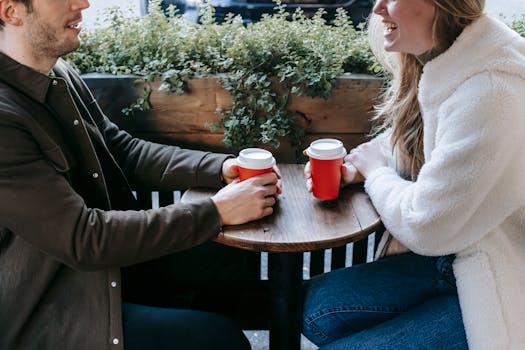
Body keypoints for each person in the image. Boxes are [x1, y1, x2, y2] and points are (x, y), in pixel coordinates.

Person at [0, 0, 281, 349]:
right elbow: (83, 239)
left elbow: (124, 152)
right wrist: (216, 211)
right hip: (61, 308)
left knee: (228, 254)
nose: (83, 3)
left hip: (116, 266)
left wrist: (220, 168)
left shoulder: (59, 74)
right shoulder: (4, 117)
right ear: (11, 12)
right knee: (221, 340)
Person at [301, 0, 525, 349]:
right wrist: (361, 167)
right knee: (314, 310)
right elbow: (444, 146)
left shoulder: (492, 92)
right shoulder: (455, 56)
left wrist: (375, 173)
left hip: (505, 278)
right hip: (459, 255)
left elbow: (425, 226)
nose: (377, 9)